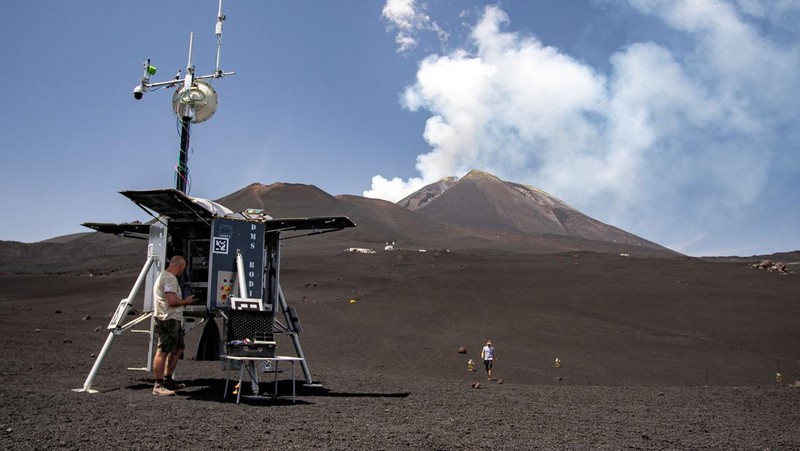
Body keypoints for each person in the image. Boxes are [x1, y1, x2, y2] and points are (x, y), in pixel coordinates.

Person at [152, 255, 195, 396]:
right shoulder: (170, 278)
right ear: (179, 266)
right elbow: (171, 301)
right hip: (168, 318)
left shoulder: (163, 276)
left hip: (170, 318)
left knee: (178, 348)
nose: (182, 272)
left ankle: (168, 380)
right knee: (163, 350)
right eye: (183, 268)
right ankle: (158, 385)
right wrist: (185, 302)